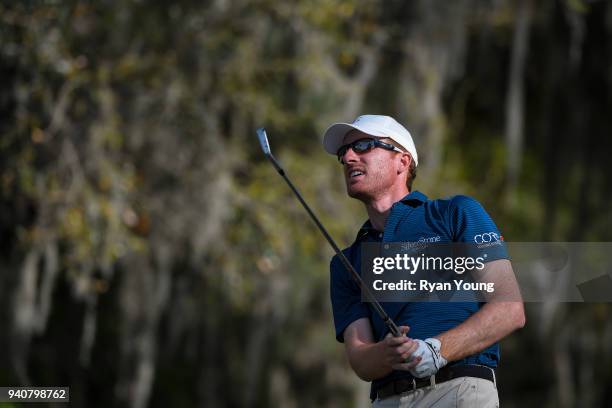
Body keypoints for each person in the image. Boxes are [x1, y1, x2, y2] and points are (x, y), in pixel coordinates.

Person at [323, 114, 525, 407]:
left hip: (457, 390)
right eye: (344, 153)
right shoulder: (346, 262)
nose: (349, 157)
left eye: (364, 145)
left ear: (402, 162)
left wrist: (436, 350)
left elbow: (510, 309)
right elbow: (360, 359)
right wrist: (387, 353)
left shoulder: (456, 213)